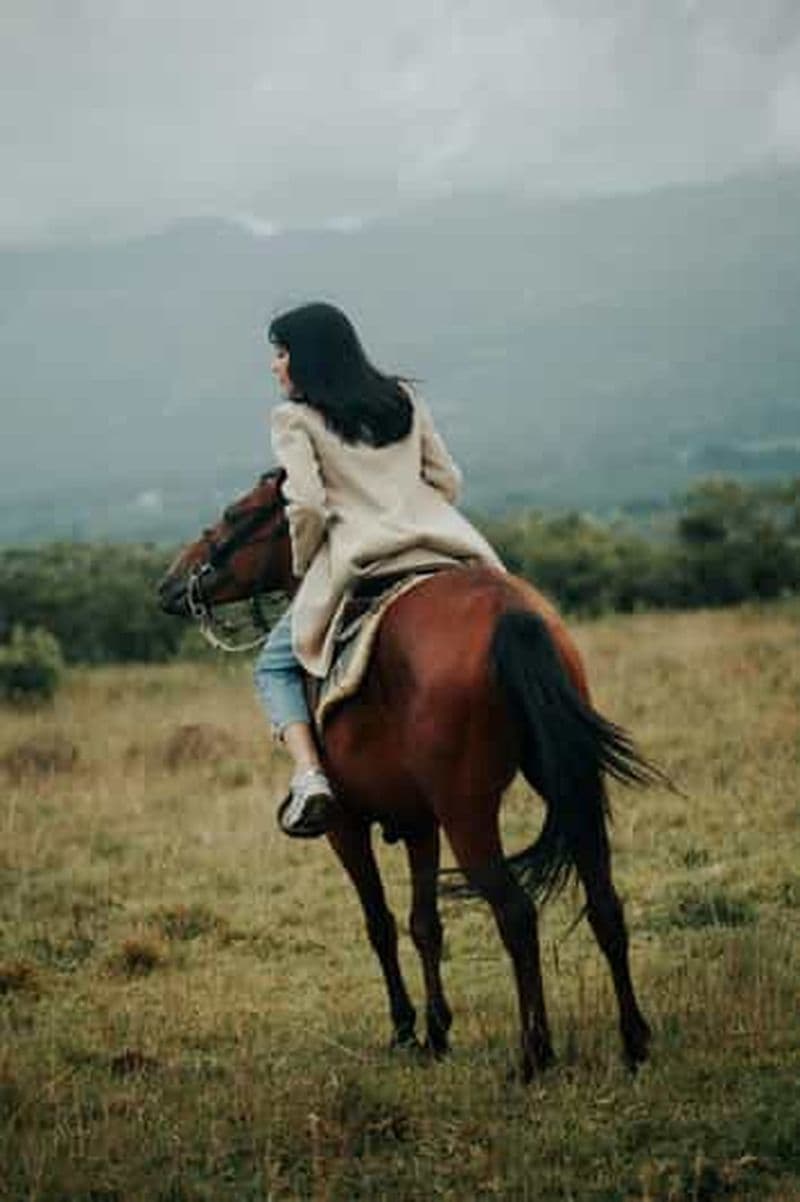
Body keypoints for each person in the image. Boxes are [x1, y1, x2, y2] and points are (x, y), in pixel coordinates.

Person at [254, 301, 504, 837]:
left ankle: (310, 776)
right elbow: (448, 479)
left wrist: (306, 566)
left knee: (273, 665)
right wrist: (411, 512)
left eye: (281, 353)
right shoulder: (403, 399)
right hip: (446, 551)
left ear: (308, 357)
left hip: (362, 562)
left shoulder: (293, 419)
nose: (275, 365)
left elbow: (309, 508)